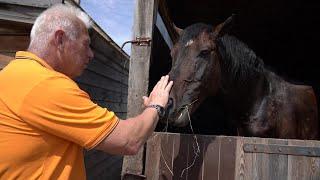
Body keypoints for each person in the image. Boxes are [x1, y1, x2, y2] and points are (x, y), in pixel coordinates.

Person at [0, 4, 173, 180]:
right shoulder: (45, 84)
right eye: (86, 45)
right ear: (60, 39)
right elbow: (129, 140)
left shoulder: (11, 74)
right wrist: (156, 105)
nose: (91, 54)